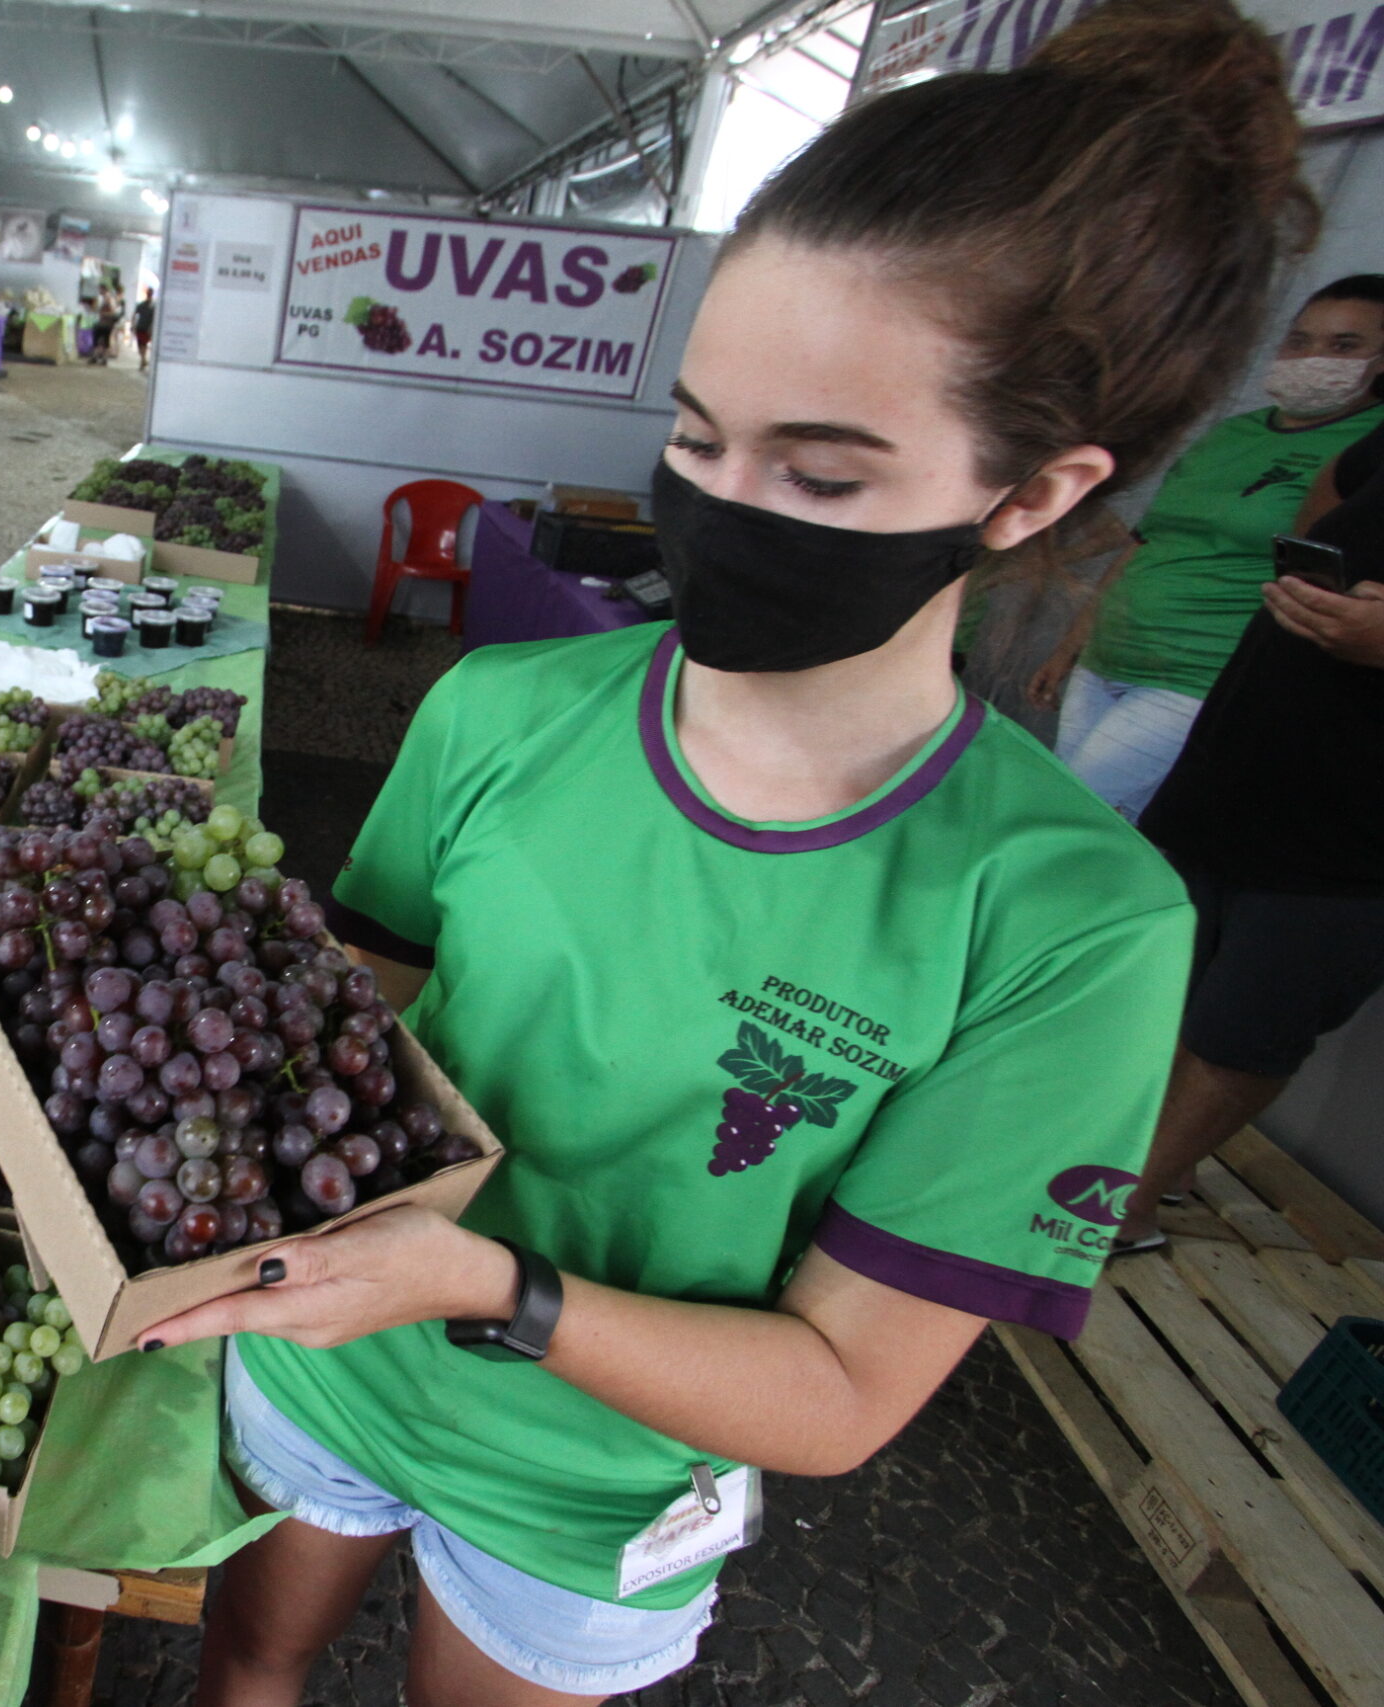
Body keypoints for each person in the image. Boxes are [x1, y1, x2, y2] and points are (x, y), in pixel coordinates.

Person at [133, 5, 1310, 1703]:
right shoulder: (503, 710)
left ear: (1032, 493)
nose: (721, 506)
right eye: (694, 438)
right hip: (323, 1367)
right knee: (245, 1663)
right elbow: (347, 1031)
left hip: (594, 1477)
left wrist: (498, 1285)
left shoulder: (1072, 921)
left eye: (822, 474)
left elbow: (837, 1393)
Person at [1110, 409, 1384, 1251]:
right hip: (1255, 750)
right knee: (1173, 974)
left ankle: (1129, 1205)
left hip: (1356, 818)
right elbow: (1332, 494)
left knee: (1256, 1010)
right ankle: (1153, 1160)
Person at [1029, 276, 1384, 817]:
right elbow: (1148, 541)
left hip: (1202, 672)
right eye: (1299, 339)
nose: (1312, 357)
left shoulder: (1363, 449)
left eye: (1344, 346)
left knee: (1063, 816)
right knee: (1080, 818)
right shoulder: (1233, 434)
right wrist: (1074, 640)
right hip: (1111, 656)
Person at [133, 287, 156, 371]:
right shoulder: (142, 305)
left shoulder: (154, 306)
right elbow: (135, 314)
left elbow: (154, 318)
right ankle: (143, 360)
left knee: (144, 345)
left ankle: (142, 361)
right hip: (140, 327)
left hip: (147, 328)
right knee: (140, 345)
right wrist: (133, 324)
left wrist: (151, 328)